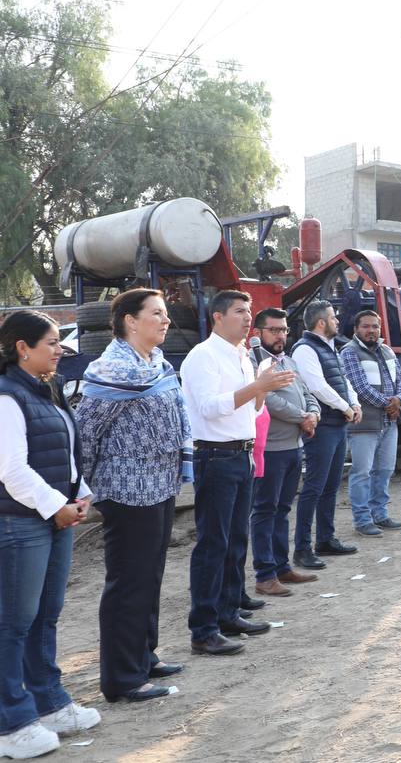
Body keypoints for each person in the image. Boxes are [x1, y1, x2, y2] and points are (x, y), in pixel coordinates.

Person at [75, 289, 190, 703]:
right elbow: (86, 435)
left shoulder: (157, 364)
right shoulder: (112, 370)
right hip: (126, 490)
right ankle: (122, 678)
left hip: (160, 484)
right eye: (156, 314)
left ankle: (144, 656)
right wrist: (81, 489)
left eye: (165, 314)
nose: (166, 321)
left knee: (150, 576)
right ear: (130, 321)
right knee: (129, 582)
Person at [0, 311, 98, 757]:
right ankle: (11, 722)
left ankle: (49, 702)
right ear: (22, 347)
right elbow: (11, 469)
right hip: (22, 522)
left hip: (55, 517)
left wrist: (81, 493)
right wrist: (56, 505)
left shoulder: (48, 389)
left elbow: (65, 451)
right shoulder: (7, 396)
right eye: (52, 342)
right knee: (13, 623)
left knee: (45, 616)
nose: (61, 349)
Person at [182, 290, 296, 657]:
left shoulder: (242, 355)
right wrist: (257, 387)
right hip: (215, 455)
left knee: (236, 540)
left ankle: (228, 612)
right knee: (213, 543)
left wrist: (262, 388)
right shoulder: (203, 356)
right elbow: (209, 407)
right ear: (217, 317)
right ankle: (204, 629)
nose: (248, 318)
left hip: (242, 453)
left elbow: (252, 410)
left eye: (249, 311)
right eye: (239, 311)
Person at [248, 307, 320, 599]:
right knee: (265, 510)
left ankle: (282, 567)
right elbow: (268, 400)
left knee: (282, 509)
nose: (281, 336)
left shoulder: (288, 361)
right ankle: (265, 575)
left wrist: (313, 414)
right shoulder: (254, 362)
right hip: (270, 449)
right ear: (258, 333)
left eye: (284, 330)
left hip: (294, 447)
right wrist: (302, 416)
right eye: (274, 330)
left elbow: (307, 392)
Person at [291, 300, 361, 569]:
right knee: (314, 488)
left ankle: (325, 539)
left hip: (337, 424)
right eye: (333, 317)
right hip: (322, 428)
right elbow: (317, 386)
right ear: (321, 322)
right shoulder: (305, 349)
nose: (337, 321)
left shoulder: (329, 347)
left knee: (330, 487)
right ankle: (302, 549)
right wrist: (346, 407)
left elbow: (343, 380)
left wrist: (354, 403)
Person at [340, 310, 401, 537]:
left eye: (375, 326)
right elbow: (358, 387)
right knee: (362, 473)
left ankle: (380, 514)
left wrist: (399, 399)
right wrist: (389, 404)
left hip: (389, 423)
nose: (371, 330)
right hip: (364, 425)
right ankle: (362, 520)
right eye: (366, 326)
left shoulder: (387, 351)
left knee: (385, 470)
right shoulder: (349, 352)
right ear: (356, 329)